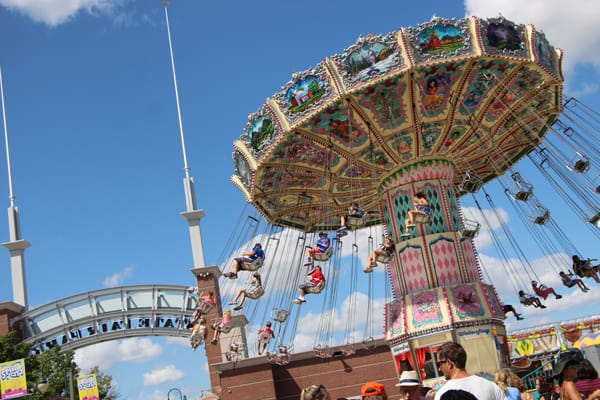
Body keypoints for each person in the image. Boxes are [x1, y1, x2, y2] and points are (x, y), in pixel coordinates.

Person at [433, 341, 504, 400]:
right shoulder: (490, 386)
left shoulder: (442, 394)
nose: (439, 369)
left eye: (439, 364)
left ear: (449, 363)